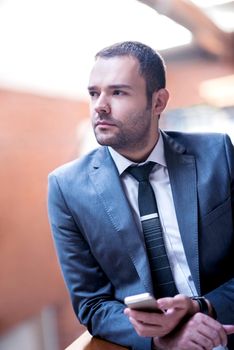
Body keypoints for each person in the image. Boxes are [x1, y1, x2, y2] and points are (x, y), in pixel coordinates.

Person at [47, 41, 234, 350]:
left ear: (158, 101)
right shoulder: (66, 187)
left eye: (118, 92)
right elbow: (92, 303)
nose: (100, 106)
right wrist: (162, 339)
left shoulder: (218, 155)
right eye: (94, 93)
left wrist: (203, 307)